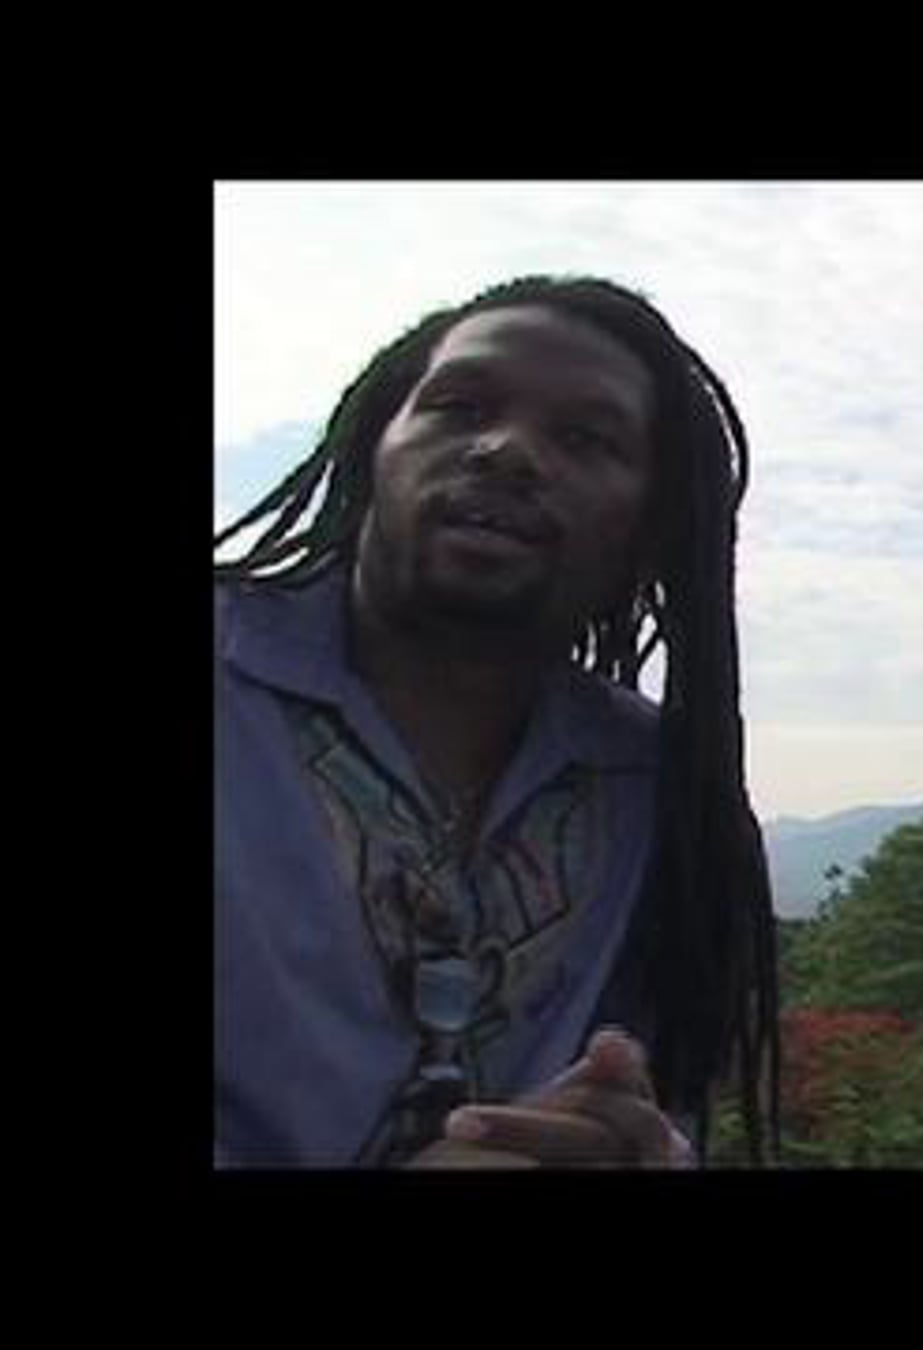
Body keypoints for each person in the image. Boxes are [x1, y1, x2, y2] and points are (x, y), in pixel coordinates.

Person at [215, 275, 781, 1167]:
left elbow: (666, 1102)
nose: (508, 450)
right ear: (373, 447)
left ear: (651, 528)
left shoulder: (660, 792)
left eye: (586, 439)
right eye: (458, 406)